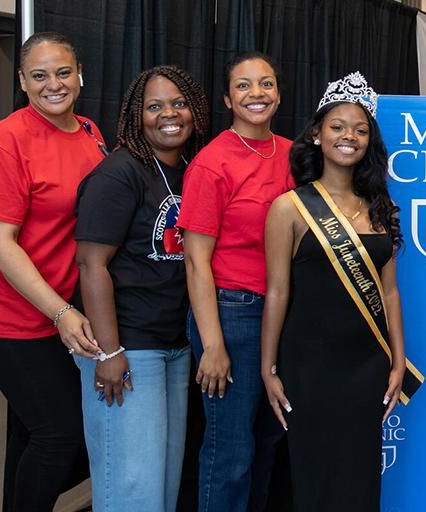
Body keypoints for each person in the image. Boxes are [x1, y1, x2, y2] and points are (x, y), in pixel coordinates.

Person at [260, 71, 419, 511]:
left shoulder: (379, 207)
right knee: (313, 475)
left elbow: (390, 293)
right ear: (316, 134)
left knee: (360, 478)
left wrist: (397, 360)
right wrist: (268, 368)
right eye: (337, 126)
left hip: (366, 365)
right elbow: (276, 292)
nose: (349, 136)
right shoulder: (289, 209)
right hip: (307, 364)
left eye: (361, 129)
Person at [0, 31, 105, 511]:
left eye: (63, 72)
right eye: (40, 75)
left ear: (79, 74)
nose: (54, 84)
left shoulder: (90, 132)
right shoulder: (5, 140)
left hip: (60, 307)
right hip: (10, 316)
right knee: (60, 434)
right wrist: (61, 313)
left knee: (32, 434)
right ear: (23, 83)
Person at [73, 65, 208, 512]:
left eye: (178, 103)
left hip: (173, 344)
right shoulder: (119, 173)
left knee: (162, 489)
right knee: (130, 489)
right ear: (136, 114)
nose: (168, 114)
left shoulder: (192, 169)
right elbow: (92, 266)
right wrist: (109, 353)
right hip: (128, 346)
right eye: (154, 106)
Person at [176, 51, 295, 512]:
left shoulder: (293, 153)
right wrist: (212, 345)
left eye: (265, 84)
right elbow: (195, 262)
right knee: (232, 451)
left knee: (268, 441)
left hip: (283, 314)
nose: (256, 94)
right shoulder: (212, 164)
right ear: (228, 98)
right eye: (243, 86)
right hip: (233, 315)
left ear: (279, 93)